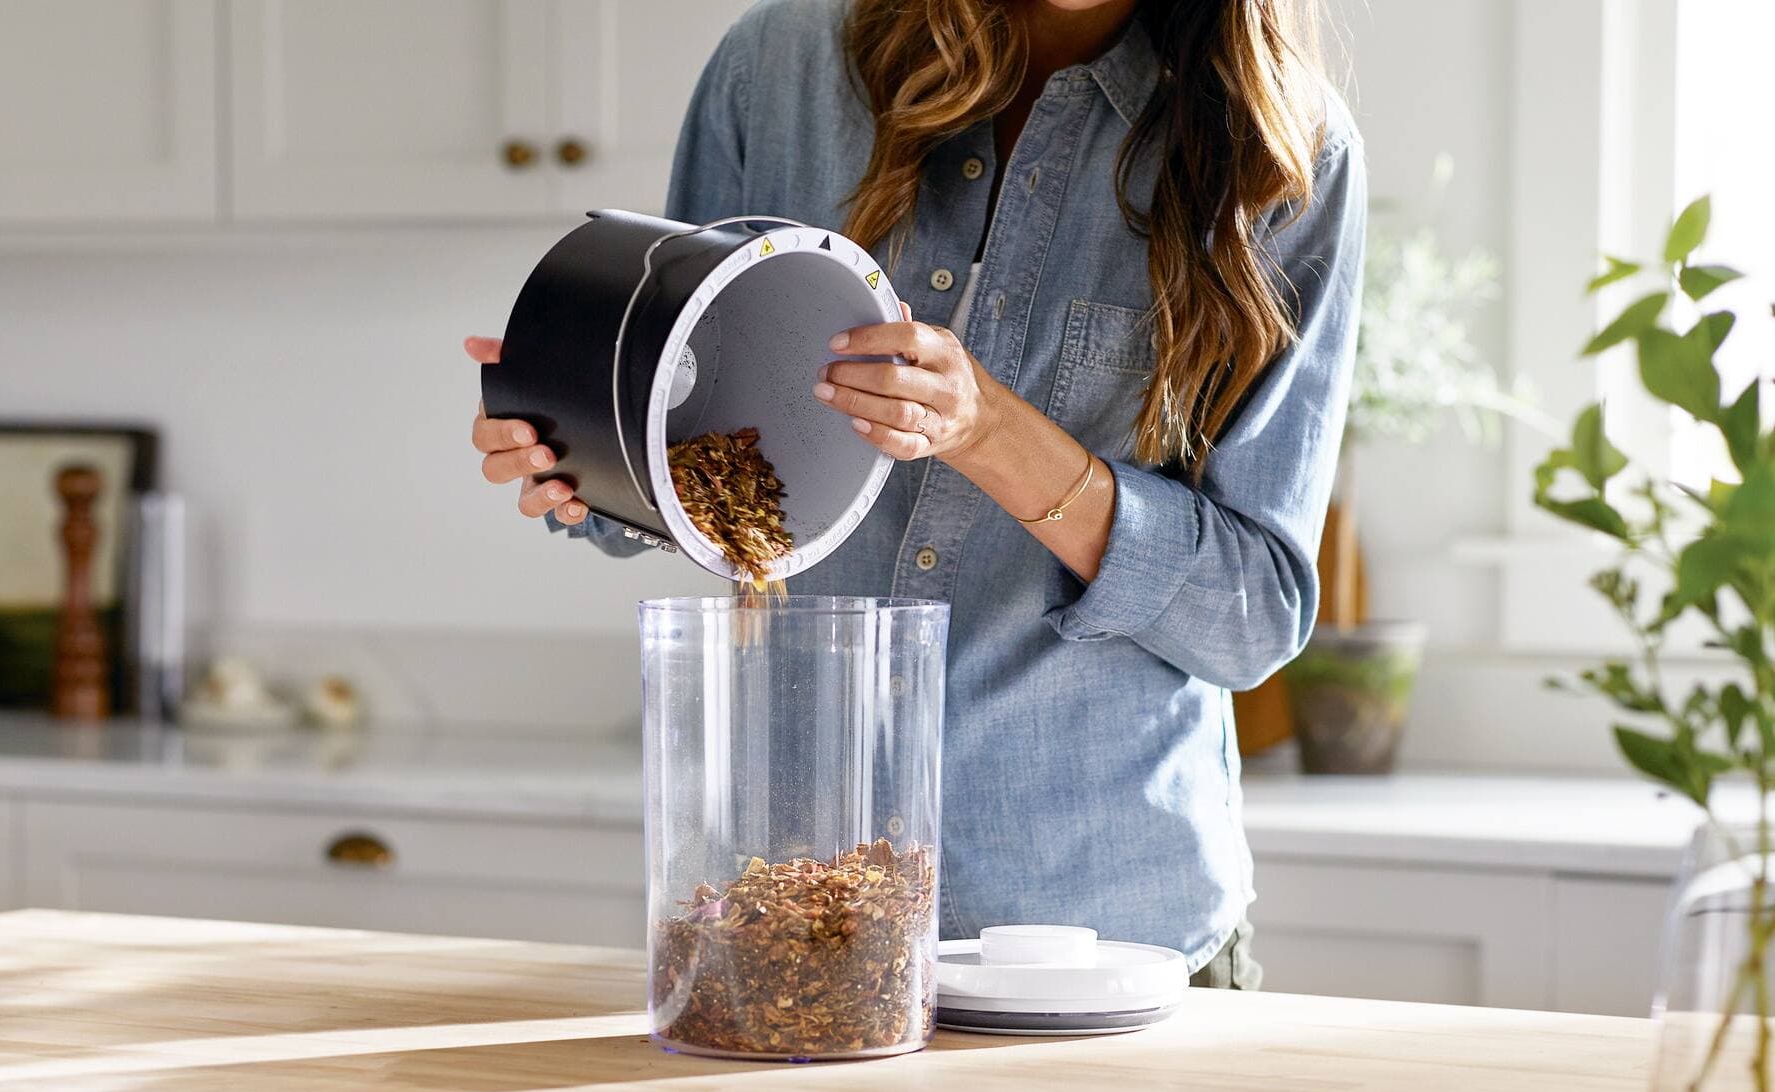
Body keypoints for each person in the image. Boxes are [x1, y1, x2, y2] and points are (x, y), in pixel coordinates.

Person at [464, 0, 1364, 989]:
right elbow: (677, 439)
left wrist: (988, 431)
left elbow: (1252, 615)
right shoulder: (778, 72)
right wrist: (576, 447)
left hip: (1103, 949)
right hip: (798, 924)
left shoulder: (1285, 155)